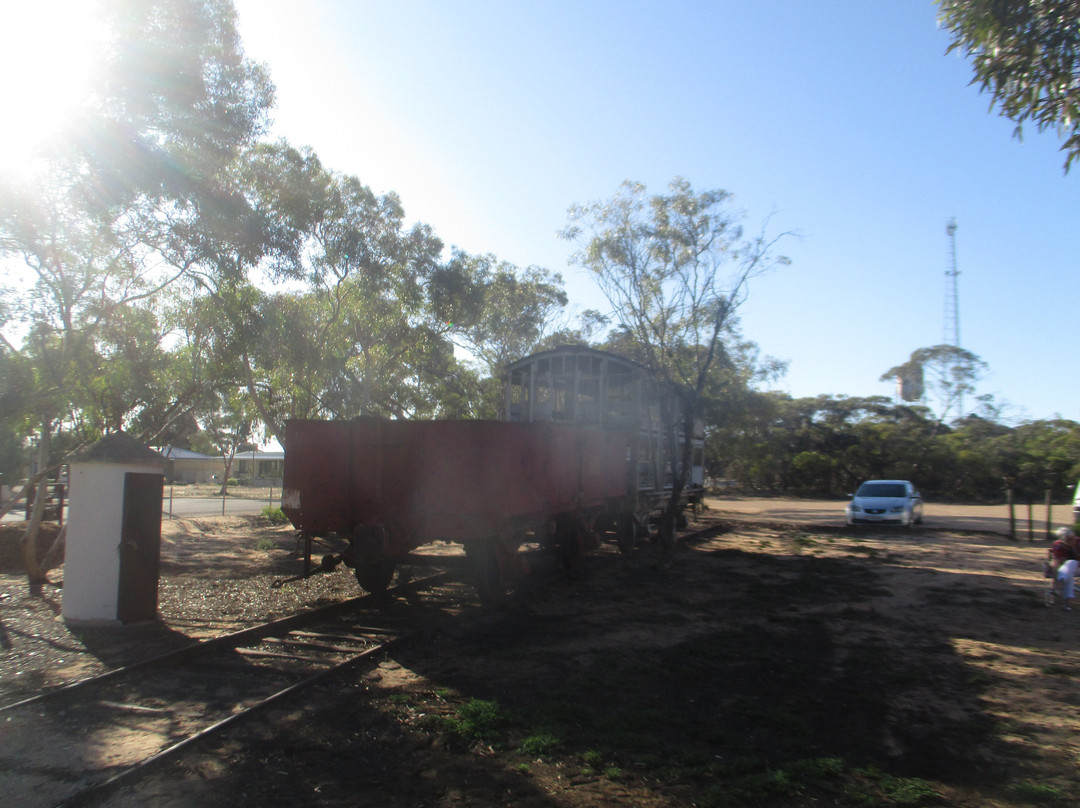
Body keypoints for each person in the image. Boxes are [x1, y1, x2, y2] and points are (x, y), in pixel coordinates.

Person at [1048, 527, 1079, 610]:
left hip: (1078, 568)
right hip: (1064, 570)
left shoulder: (1078, 542)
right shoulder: (1058, 545)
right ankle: (1066, 603)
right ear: (1063, 541)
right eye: (1070, 539)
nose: (1073, 540)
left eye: (1073, 537)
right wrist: (1054, 578)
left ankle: (1061, 580)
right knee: (1069, 574)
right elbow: (1056, 563)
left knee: (1071, 563)